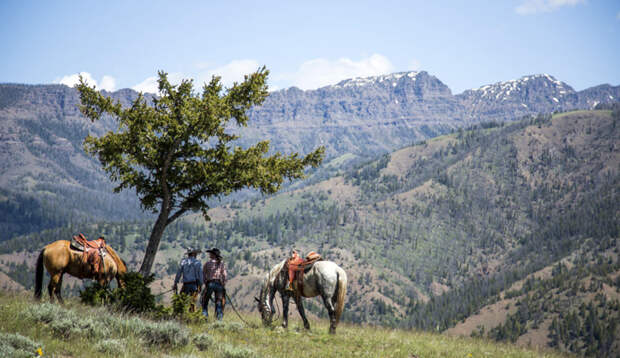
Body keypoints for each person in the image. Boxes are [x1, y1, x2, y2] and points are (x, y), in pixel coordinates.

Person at [173, 248, 203, 312]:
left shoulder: (183, 262)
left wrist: (175, 283)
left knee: (181, 301)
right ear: (193, 254)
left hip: (186, 284)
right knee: (192, 302)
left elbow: (179, 273)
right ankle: (191, 315)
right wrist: (200, 285)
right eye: (195, 253)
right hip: (194, 284)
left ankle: (178, 313)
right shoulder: (198, 263)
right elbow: (200, 275)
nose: (196, 255)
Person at [202, 248, 227, 320]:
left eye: (210, 253)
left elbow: (203, 274)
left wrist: (205, 282)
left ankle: (204, 317)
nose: (209, 254)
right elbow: (225, 275)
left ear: (213, 255)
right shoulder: (221, 263)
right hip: (219, 284)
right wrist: (223, 283)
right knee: (219, 302)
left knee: (205, 301)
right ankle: (219, 319)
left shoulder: (207, 263)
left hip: (210, 283)